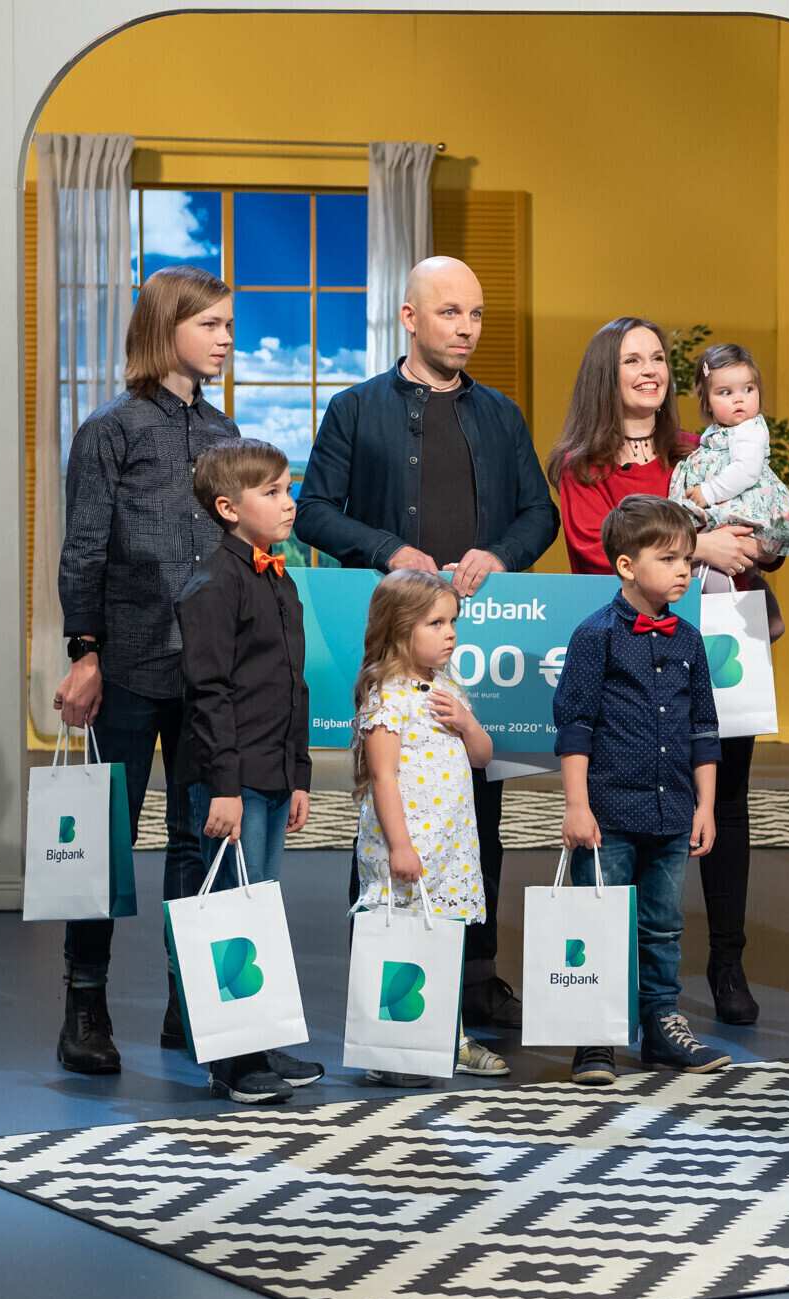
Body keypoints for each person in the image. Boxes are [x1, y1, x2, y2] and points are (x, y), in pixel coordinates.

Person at [295, 256, 559, 1036]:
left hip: (481, 643)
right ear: (409, 318)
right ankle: (381, 977)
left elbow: (539, 514)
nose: (467, 328)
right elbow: (314, 511)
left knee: (479, 810)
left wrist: (502, 553)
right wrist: (386, 548)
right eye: (450, 313)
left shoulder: (502, 414)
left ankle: (475, 978)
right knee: (389, 806)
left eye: (475, 314)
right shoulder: (353, 409)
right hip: (393, 648)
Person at [549, 317, 789, 1028]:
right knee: (626, 811)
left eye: (657, 357)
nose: (650, 370)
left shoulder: (703, 446)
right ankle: (619, 978)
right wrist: (701, 545)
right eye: (633, 359)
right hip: (628, 662)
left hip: (719, 646)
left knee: (726, 799)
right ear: (607, 372)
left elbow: (760, 524)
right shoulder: (581, 465)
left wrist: (760, 542)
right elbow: (595, 552)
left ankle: (727, 960)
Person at [52, 265, 239, 1074]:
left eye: (228, 324)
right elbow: (84, 549)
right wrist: (85, 651)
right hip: (127, 665)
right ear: (167, 329)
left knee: (197, 839)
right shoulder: (111, 430)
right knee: (106, 843)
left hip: (204, 674)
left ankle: (185, 1003)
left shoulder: (226, 433)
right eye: (210, 325)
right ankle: (84, 1006)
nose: (225, 338)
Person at [553, 495, 728, 1084]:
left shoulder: (689, 639)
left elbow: (704, 728)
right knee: (598, 922)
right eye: (668, 559)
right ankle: (594, 1035)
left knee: (663, 925)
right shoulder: (595, 635)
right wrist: (577, 806)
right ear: (627, 566)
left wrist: (705, 805)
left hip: (673, 810)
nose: (683, 570)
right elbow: (574, 727)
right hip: (608, 813)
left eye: (687, 559)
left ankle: (660, 1025)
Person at [175, 438, 325, 1102]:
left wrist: (299, 774)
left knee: (259, 909)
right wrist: (226, 787)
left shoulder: (281, 580)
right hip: (230, 781)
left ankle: (258, 1040)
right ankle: (230, 1061)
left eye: (289, 489)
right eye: (273, 492)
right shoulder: (213, 584)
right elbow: (209, 694)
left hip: (272, 772)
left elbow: (296, 686)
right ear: (228, 508)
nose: (289, 502)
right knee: (229, 915)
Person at [349, 570, 503, 1085]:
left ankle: (448, 1036)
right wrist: (400, 845)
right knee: (402, 940)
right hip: (408, 845)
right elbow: (383, 776)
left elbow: (483, 757)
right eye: (435, 623)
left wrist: (467, 722)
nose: (450, 634)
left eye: (453, 622)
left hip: (451, 847)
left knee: (445, 940)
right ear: (399, 628)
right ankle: (391, 1047)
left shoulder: (447, 688)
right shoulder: (386, 694)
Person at [669, 342, 789, 559]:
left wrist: (709, 492)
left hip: (744, 510)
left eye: (748, 389)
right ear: (707, 403)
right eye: (726, 392)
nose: (739, 398)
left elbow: (745, 470)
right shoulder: (722, 432)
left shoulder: (748, 430)